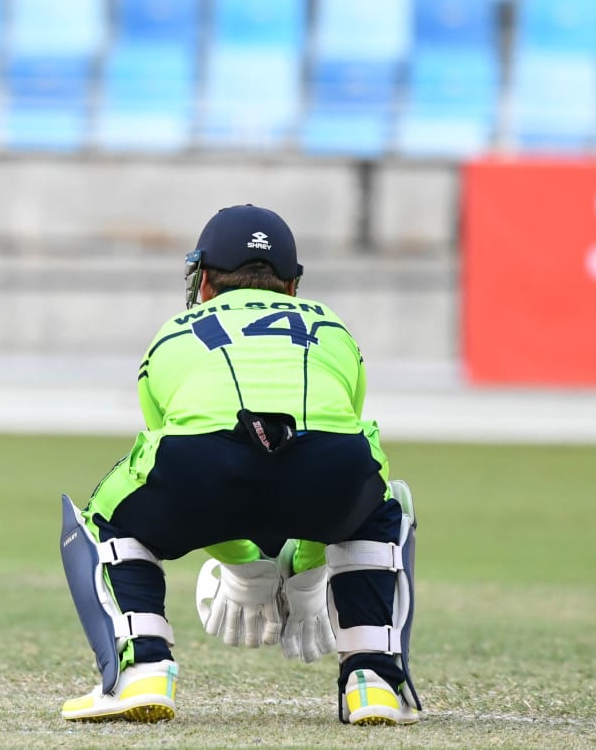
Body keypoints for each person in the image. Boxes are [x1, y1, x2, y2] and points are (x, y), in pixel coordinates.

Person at [56, 205, 422, 726]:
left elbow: (181, 458)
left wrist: (246, 568)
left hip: (203, 465)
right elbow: (333, 441)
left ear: (203, 279)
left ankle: (141, 671)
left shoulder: (172, 333)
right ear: (292, 285)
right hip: (329, 465)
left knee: (106, 517)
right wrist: (301, 568)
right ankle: (375, 680)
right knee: (381, 505)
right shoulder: (335, 328)